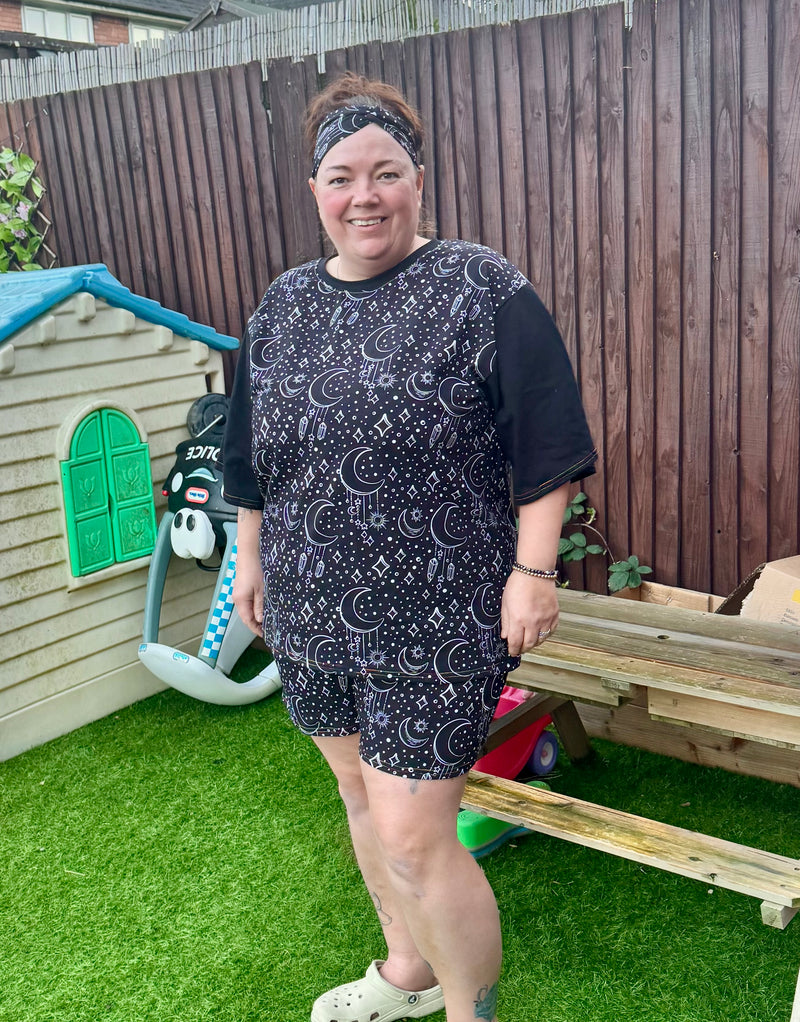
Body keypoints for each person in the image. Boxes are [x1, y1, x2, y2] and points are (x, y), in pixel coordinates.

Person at [222, 72, 597, 1022]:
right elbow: (251, 453)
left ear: (418, 181)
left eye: (385, 172)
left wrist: (534, 571)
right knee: (358, 793)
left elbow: (547, 441)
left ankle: (472, 1011)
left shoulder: (480, 288)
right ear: (315, 191)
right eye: (342, 177)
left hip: (437, 611)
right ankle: (409, 971)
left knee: (415, 833)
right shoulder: (282, 307)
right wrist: (249, 560)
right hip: (309, 605)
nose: (365, 196)